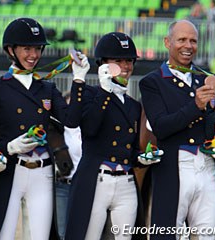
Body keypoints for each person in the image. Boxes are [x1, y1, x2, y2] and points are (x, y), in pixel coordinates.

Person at [0, 17, 89, 240]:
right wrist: (7, 147)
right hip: (11, 171)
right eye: (27, 48)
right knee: (3, 234)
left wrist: (78, 80)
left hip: (42, 172)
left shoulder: (47, 88)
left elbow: (71, 120)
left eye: (37, 48)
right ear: (10, 50)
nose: (33, 55)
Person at [139, 19, 215, 240]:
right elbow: (161, 127)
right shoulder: (153, 82)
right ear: (167, 42)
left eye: (193, 41)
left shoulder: (204, 78)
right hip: (175, 165)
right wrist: (195, 106)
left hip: (207, 166)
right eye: (182, 40)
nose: (188, 45)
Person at [65, 32, 148, 240]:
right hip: (98, 179)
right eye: (117, 61)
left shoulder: (133, 105)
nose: (125, 66)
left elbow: (129, 149)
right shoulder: (91, 95)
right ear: (103, 64)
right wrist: (105, 91)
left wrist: (142, 157)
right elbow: (90, 128)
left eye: (129, 61)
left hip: (126, 182)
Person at [55, 91, 82, 240]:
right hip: (63, 186)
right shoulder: (58, 131)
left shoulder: (87, 129)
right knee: (62, 233)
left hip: (83, 186)